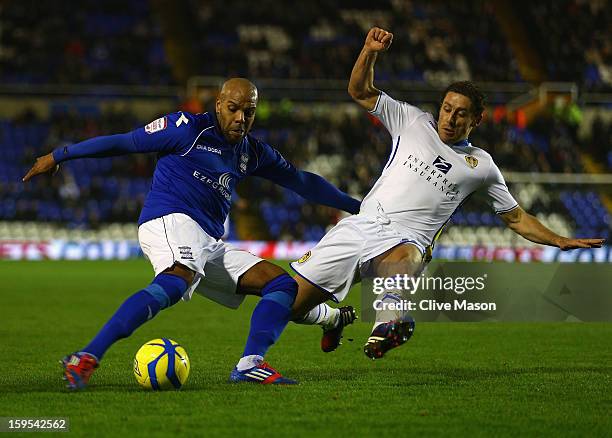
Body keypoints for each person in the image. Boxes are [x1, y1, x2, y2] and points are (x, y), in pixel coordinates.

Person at [23, 78, 361, 388]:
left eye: (249, 111)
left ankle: (250, 364)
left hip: (209, 243)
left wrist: (357, 206)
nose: (241, 118)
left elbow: (303, 182)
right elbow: (124, 143)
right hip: (171, 219)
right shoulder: (186, 129)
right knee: (176, 279)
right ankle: (85, 357)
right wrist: (60, 154)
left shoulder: (252, 153)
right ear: (218, 105)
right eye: (233, 109)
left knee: (281, 284)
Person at [290, 28, 606, 359]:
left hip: (406, 240)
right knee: (289, 305)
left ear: (477, 119)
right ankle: (333, 318)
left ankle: (387, 326)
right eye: (446, 108)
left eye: (461, 113)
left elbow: (516, 218)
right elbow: (359, 90)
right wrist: (370, 51)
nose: (450, 118)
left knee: (408, 255)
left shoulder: (481, 166)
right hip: (362, 225)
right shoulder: (412, 121)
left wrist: (559, 240)